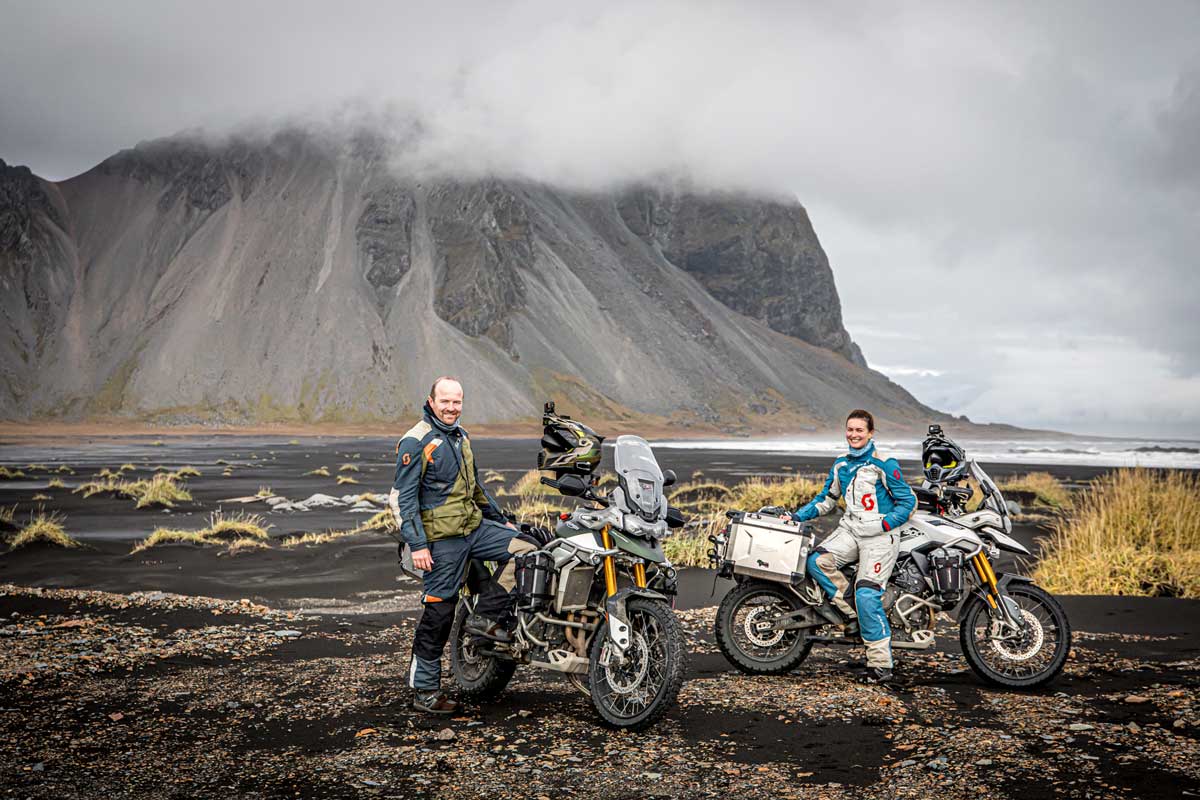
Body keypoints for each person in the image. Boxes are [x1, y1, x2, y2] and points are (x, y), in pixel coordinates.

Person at [389, 376, 535, 714]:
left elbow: (475, 490)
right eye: (446, 401)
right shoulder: (417, 441)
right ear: (431, 400)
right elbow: (403, 498)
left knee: (529, 551)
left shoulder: (461, 437)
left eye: (457, 402)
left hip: (475, 528)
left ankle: (485, 618)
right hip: (441, 539)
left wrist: (501, 521)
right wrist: (418, 545)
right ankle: (425, 691)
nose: (452, 407)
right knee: (440, 611)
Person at [792, 409, 916, 684]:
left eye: (860, 430)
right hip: (850, 530)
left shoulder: (885, 463)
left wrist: (885, 525)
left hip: (880, 536)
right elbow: (826, 499)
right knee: (816, 561)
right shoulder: (841, 464)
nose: (854, 434)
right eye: (850, 429)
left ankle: (881, 666)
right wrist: (796, 516)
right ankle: (854, 615)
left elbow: (908, 502)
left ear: (871, 433)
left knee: (868, 595)